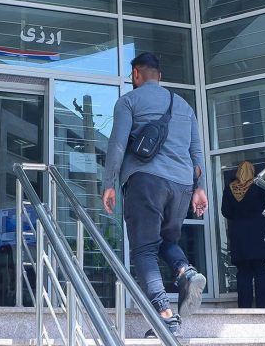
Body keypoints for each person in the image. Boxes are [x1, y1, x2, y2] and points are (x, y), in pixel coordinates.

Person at [102, 52, 208, 337]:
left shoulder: (128, 101)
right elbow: (196, 150)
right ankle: (185, 272)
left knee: (144, 249)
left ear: (136, 74)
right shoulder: (184, 106)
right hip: (182, 185)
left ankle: (165, 315)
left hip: (146, 181)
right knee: (166, 241)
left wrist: (109, 183)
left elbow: (117, 145)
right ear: (159, 76)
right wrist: (200, 188)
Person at [221, 161, 265, 308]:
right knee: (261, 271)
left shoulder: (229, 189)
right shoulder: (259, 186)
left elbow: (226, 212)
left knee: (243, 272)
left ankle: (244, 307)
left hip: (239, 236)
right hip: (259, 235)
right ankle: (263, 307)